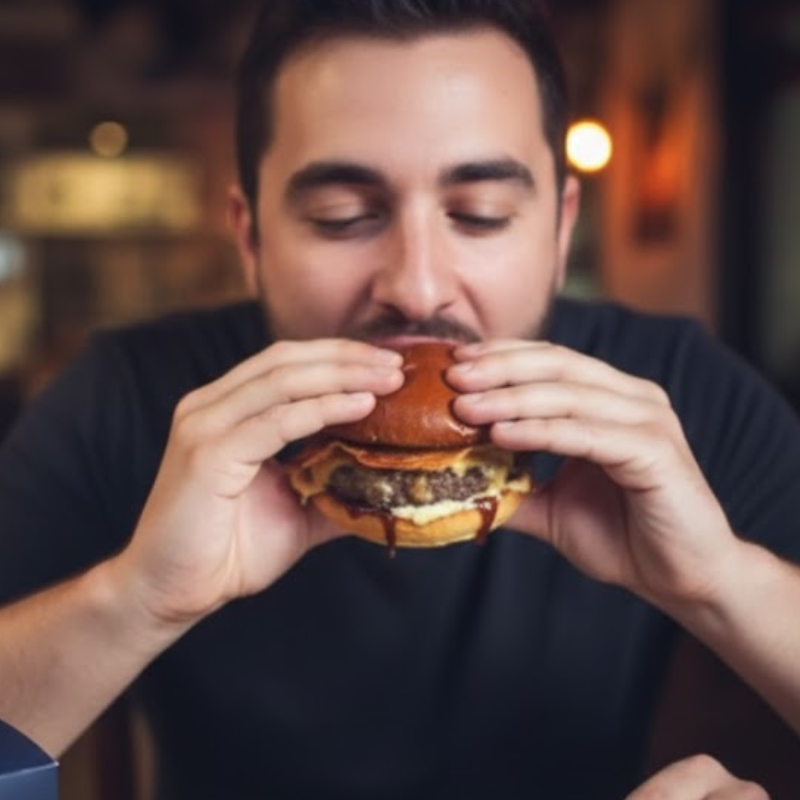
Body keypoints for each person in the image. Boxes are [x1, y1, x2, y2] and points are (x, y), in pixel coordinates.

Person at [0, 1, 798, 797]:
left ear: (559, 232)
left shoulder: (670, 394)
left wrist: (721, 582)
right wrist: (138, 597)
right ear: (251, 240)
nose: (416, 286)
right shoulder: (128, 394)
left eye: (480, 216)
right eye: (342, 217)